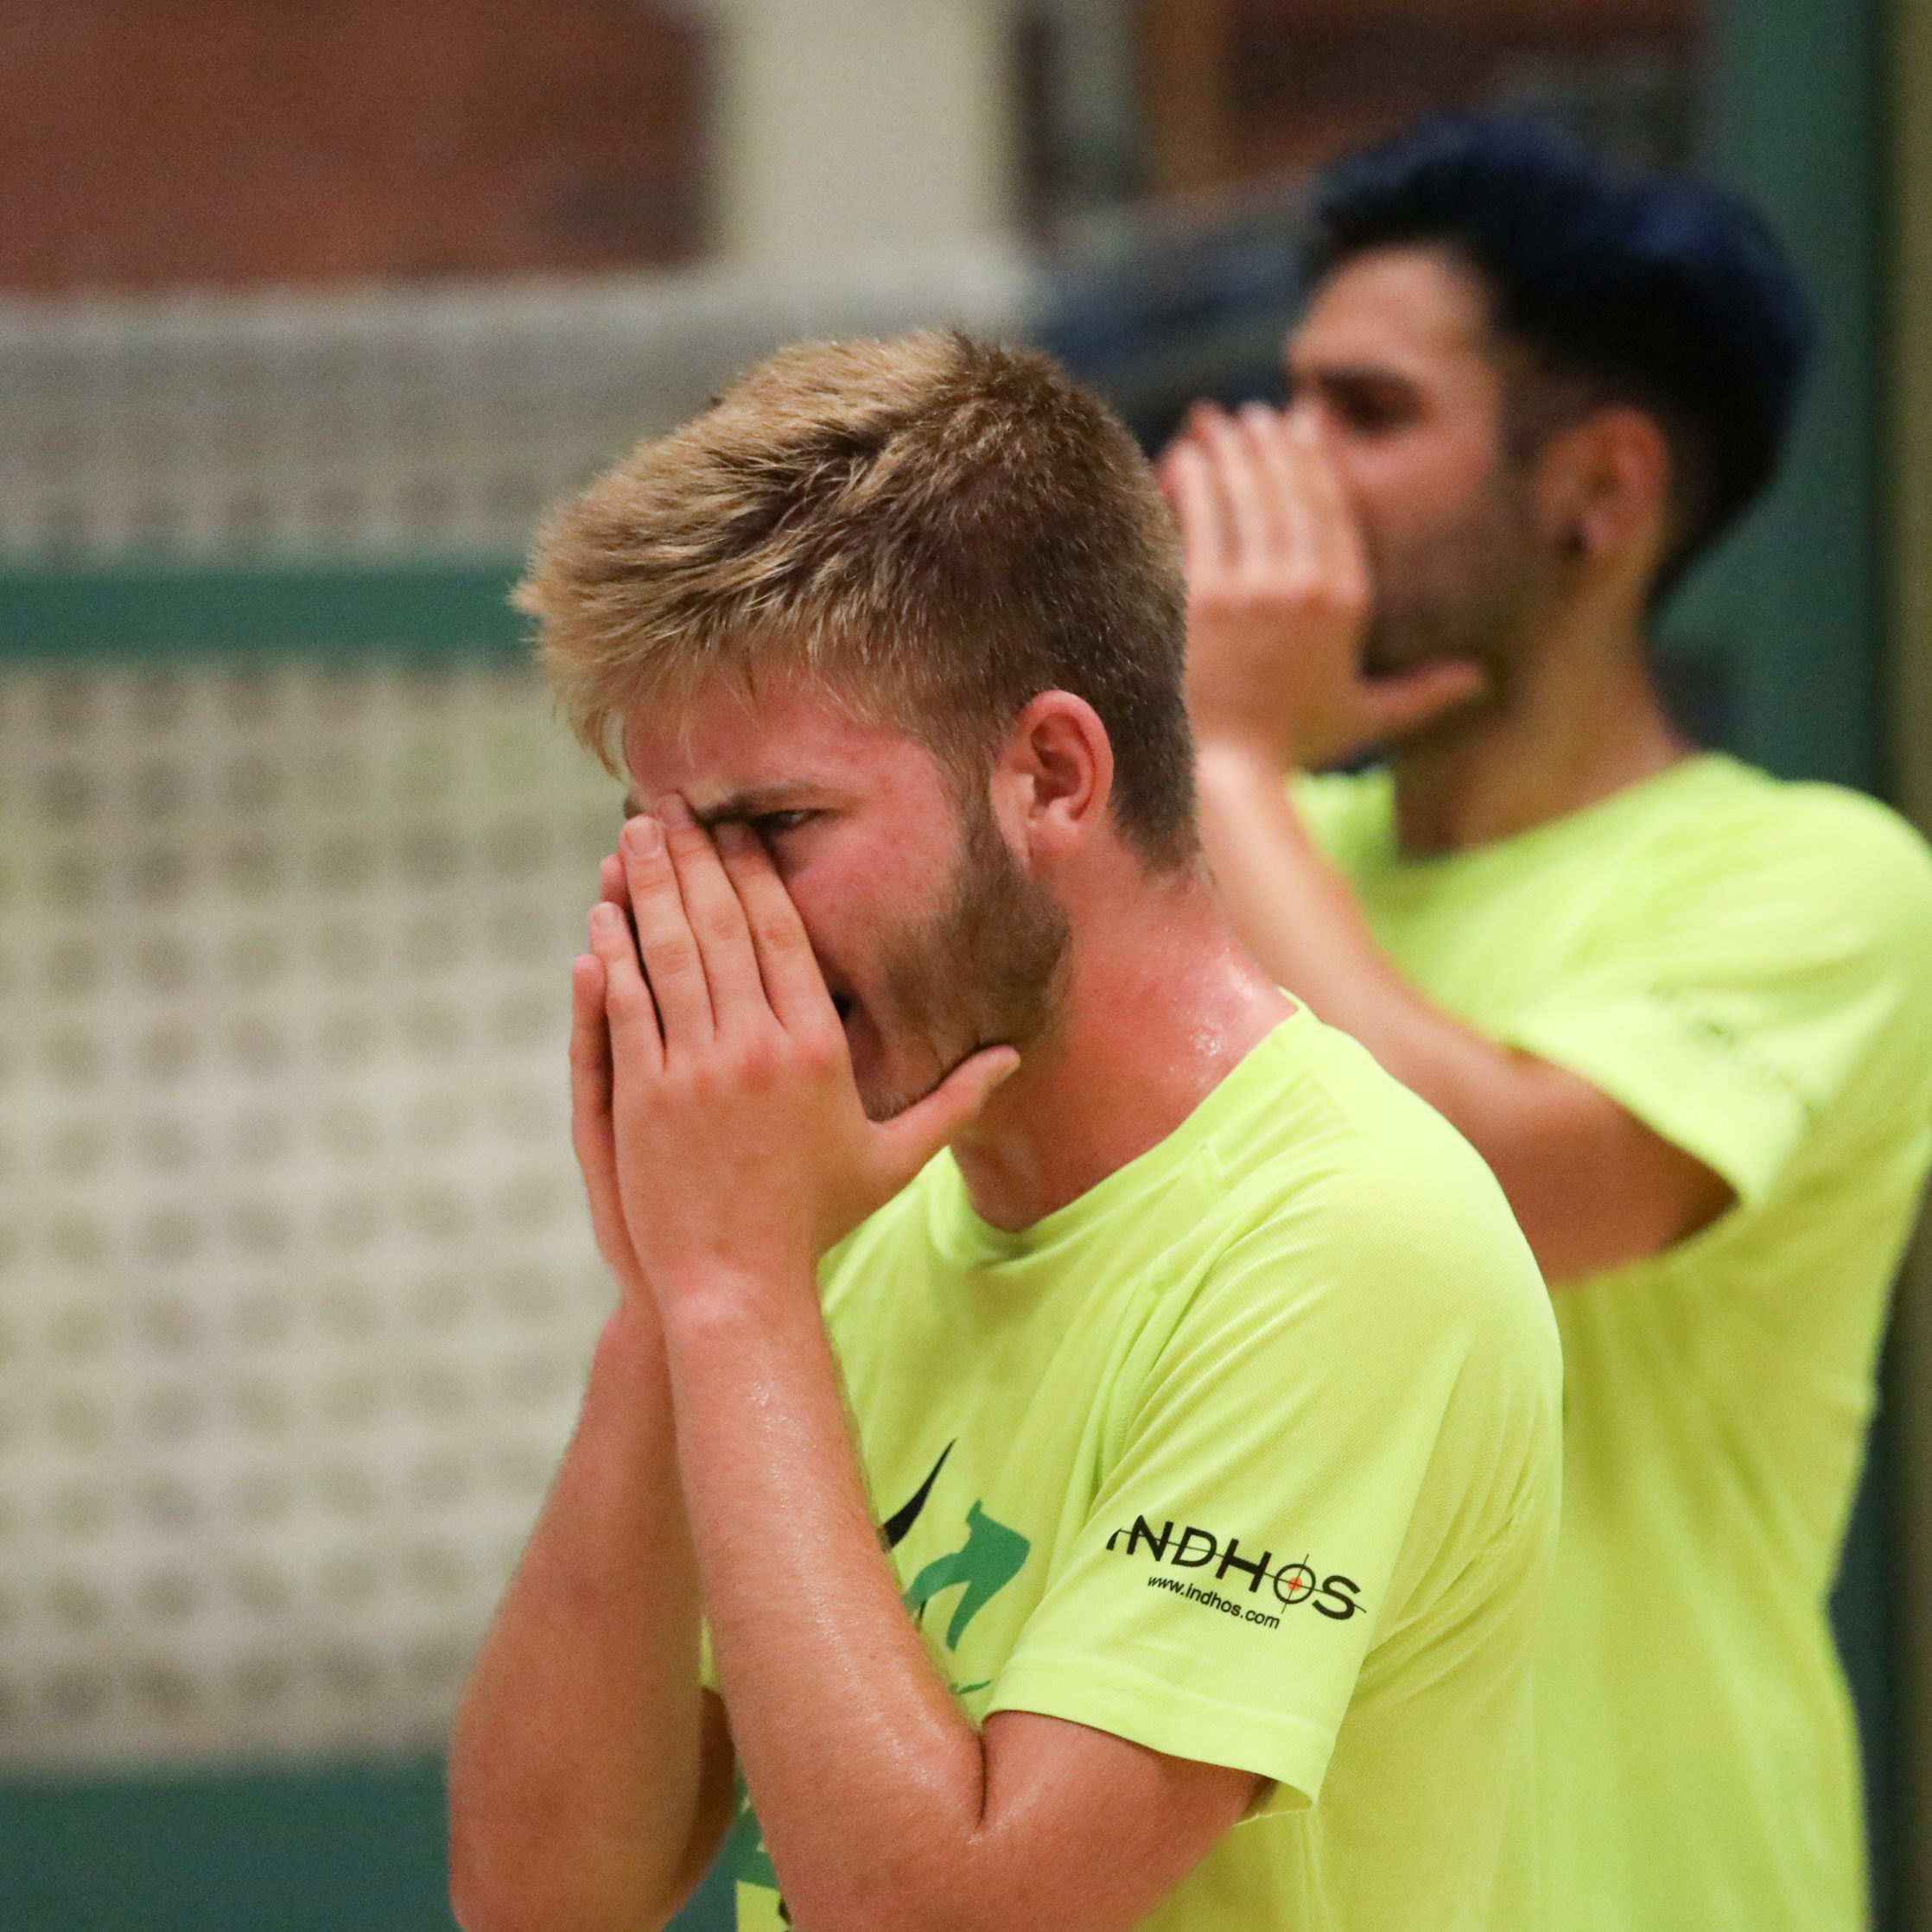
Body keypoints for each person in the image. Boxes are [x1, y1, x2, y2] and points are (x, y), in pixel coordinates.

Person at [446, 332, 1560, 1932]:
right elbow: (540, 1897)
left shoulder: (1345, 1239)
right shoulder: (822, 1210)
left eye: (775, 827)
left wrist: (735, 1290)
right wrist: (666, 1295)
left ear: (1049, 776)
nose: (707, 926)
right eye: (662, 845)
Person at [1164, 115, 1932, 1932]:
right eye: (1282, 399)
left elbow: (1489, 1193)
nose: (1269, 470)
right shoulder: (1228, 855)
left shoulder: (1819, 881)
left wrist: (1226, 759)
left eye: (1365, 412)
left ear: (1597, 487)